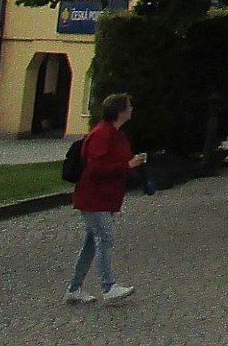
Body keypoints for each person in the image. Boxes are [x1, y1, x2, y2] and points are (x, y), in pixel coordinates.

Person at [66, 92, 147, 307]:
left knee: (92, 244)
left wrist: (133, 163)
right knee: (104, 239)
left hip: (105, 197)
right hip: (94, 197)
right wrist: (127, 165)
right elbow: (96, 167)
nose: (131, 110)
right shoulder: (103, 133)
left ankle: (74, 289)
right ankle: (108, 286)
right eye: (128, 106)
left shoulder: (115, 134)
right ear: (119, 111)